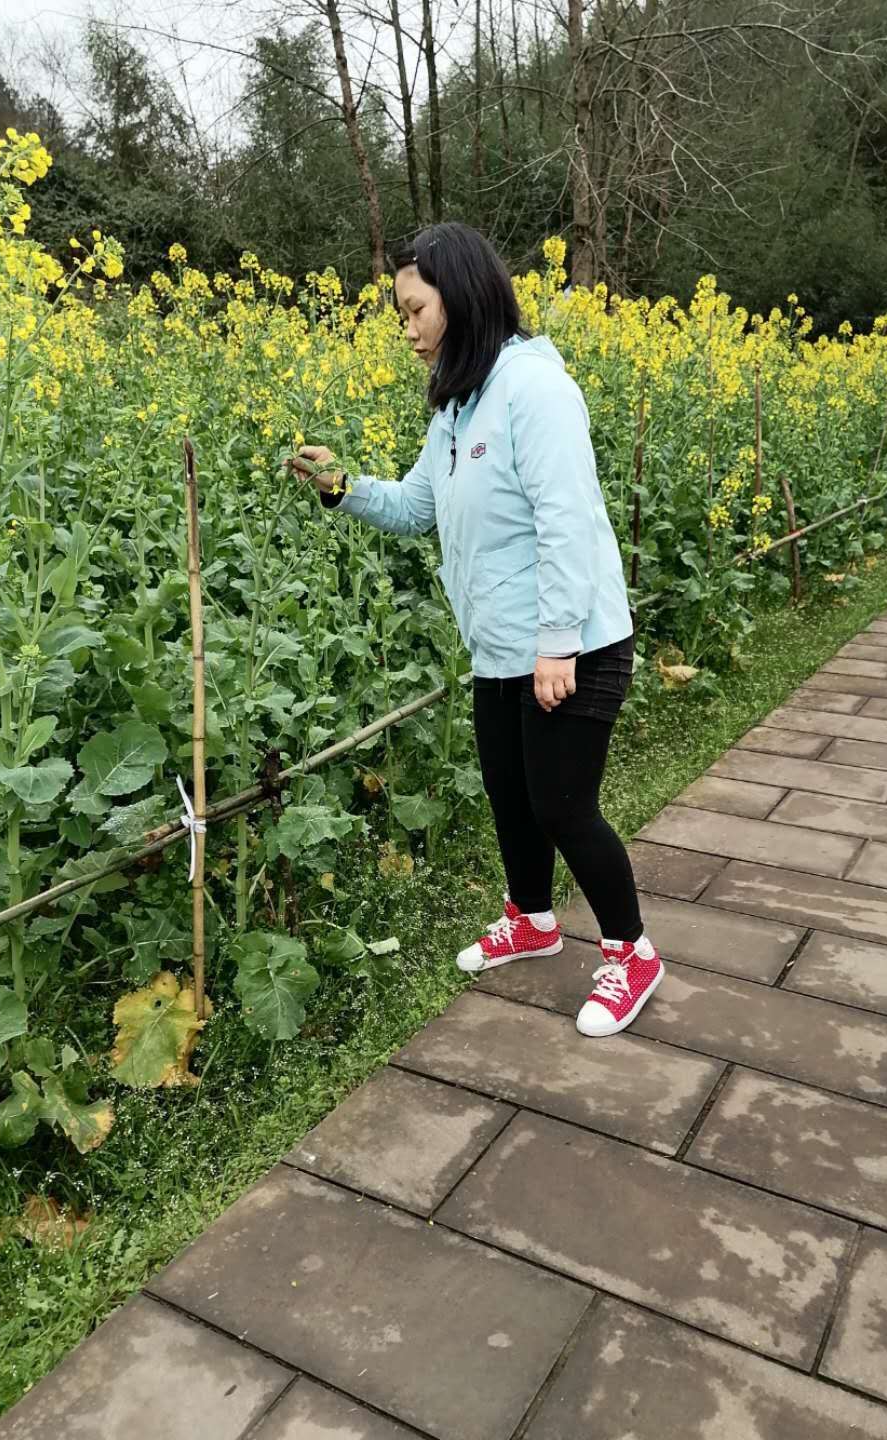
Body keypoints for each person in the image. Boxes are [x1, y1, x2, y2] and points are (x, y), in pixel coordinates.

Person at [288, 222, 663, 1038]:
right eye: (402, 315)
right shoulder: (457, 405)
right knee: (510, 795)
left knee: (563, 807)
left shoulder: (535, 390)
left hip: (574, 645)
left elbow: (568, 521)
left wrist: (557, 643)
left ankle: (631, 953)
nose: (408, 329)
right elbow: (418, 506)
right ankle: (532, 920)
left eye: (415, 310)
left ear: (460, 298)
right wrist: (343, 487)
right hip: (501, 648)